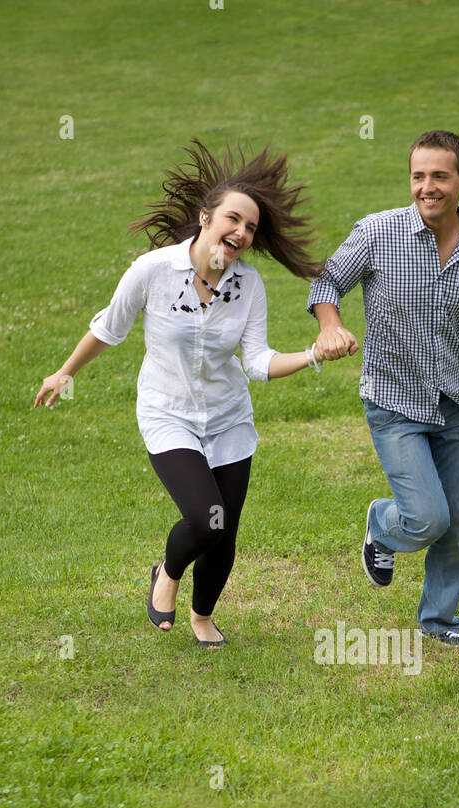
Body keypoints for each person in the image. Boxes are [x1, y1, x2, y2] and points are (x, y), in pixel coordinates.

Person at [34, 139, 331, 647]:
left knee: (225, 532)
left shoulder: (249, 286)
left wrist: (313, 354)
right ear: (205, 217)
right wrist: (65, 372)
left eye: (251, 228)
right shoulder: (153, 271)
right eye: (233, 219)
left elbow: (257, 362)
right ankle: (167, 573)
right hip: (167, 413)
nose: (240, 232)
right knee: (204, 518)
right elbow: (110, 327)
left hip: (228, 418)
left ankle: (202, 616)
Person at [307, 129, 459, 647]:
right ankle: (382, 523)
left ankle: (440, 623)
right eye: (418, 176)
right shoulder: (378, 232)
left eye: (439, 176)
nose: (427, 187)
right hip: (394, 399)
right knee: (426, 518)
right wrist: (330, 326)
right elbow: (326, 282)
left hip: (455, 397)